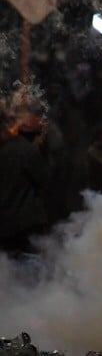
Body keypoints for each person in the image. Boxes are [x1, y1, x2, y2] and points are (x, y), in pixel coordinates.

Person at [0, 109, 50, 257]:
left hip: (5, 223)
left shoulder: (3, 150)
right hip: (27, 222)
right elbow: (44, 180)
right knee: (32, 266)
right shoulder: (29, 151)